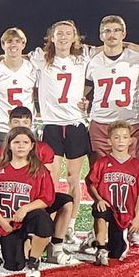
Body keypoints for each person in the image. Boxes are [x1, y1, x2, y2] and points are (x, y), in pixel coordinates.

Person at [30, 19, 92, 235]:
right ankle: (52, 223)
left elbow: (108, 52)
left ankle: (70, 225)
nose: (64, 37)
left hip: (75, 123)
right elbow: (13, 55)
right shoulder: (41, 58)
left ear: (75, 37)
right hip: (52, 125)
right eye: (59, 33)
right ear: (52, 37)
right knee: (52, 179)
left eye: (68, 33)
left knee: (74, 178)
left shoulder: (83, 58)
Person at [0, 126, 56, 277]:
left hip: (27, 217)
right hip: (7, 220)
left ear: (32, 145)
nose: (21, 146)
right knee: (13, 266)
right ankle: (24, 242)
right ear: (8, 145)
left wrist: (25, 209)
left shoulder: (38, 170)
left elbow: (46, 198)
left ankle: (34, 259)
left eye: (25, 142)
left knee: (44, 222)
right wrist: (0, 220)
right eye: (16, 142)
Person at [86, 15, 139, 167]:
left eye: (116, 30)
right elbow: (84, 88)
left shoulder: (137, 59)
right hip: (100, 123)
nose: (111, 34)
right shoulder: (92, 61)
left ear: (123, 34)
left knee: (131, 171)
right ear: (101, 36)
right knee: (98, 173)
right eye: (107, 31)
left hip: (129, 123)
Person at [85, 121, 139, 265]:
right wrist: (98, 199)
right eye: (116, 137)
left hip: (125, 213)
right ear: (109, 141)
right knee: (99, 211)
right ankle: (101, 248)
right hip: (107, 206)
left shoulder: (138, 167)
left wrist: (138, 217)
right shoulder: (102, 163)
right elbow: (91, 183)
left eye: (124, 137)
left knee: (116, 253)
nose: (120, 141)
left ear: (131, 141)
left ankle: (112, 243)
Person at [0, 28, 38, 154]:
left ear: (23, 44)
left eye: (18, 41)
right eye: (9, 41)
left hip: (28, 128)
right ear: (3, 45)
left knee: (31, 170)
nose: (13, 44)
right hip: (3, 129)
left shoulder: (32, 68)